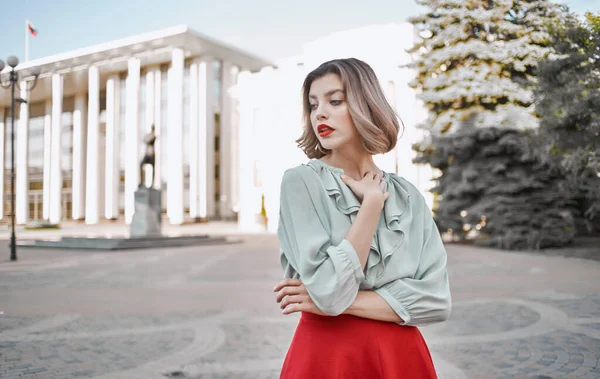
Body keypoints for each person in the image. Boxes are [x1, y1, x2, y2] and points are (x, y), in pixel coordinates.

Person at [273, 58, 451, 379]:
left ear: (365, 106)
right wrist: (370, 206)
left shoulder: (407, 195)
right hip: (328, 357)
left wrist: (330, 300)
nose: (320, 114)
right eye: (313, 105)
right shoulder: (302, 183)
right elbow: (328, 291)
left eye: (335, 101)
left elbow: (436, 301)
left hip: (402, 356)